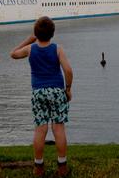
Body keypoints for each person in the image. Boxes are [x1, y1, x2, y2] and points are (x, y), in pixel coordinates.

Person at [10, 16, 74, 177]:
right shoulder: (57, 49)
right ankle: (62, 167)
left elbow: (13, 54)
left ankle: (38, 167)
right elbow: (68, 71)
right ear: (52, 33)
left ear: (36, 33)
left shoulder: (30, 49)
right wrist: (68, 89)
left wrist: (28, 40)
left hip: (38, 92)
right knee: (58, 128)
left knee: (40, 130)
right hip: (57, 91)